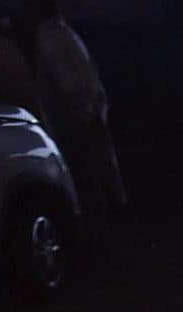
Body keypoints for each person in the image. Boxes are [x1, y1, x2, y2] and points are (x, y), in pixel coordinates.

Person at [28, 0, 127, 226]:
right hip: (85, 119)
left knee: (87, 186)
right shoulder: (63, 35)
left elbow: (72, 87)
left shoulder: (51, 38)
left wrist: (81, 118)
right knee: (93, 184)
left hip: (76, 124)